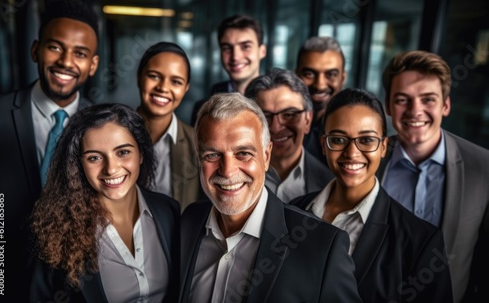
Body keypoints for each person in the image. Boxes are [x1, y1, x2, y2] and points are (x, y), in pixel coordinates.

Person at [180, 92, 362, 302]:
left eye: (243, 153)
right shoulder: (188, 223)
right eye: (212, 155)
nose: (228, 171)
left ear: (266, 157)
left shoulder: (322, 247)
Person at [290, 88, 453, 302]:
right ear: (323, 144)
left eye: (366, 140)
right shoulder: (293, 211)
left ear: (383, 147)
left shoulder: (420, 241)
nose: (352, 153)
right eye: (338, 139)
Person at [0, 0, 100, 301]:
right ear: (36, 50)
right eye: (55, 47)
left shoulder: (102, 130)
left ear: (92, 65)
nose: (66, 61)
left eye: (79, 53)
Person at [27, 103, 180, 302]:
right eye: (94, 157)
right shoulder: (54, 232)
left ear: (140, 154)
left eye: (123, 152)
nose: (111, 169)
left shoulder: (169, 210)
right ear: (78, 165)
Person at [376, 50, 489, 303]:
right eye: (403, 99)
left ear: (445, 105)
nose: (415, 111)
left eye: (428, 99)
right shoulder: (369, 160)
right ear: (388, 105)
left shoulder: (483, 168)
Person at [244, 68, 333, 202]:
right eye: (264, 117)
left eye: (289, 115)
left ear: (308, 120)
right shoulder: (230, 176)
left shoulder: (331, 184)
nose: (276, 127)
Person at [136, 41, 205, 210]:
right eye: (154, 76)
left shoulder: (198, 145)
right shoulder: (112, 135)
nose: (163, 88)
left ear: (186, 88)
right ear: (139, 77)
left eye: (176, 82)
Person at [190, 14, 267, 125]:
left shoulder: (277, 105)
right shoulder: (203, 109)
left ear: (262, 51)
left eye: (245, 46)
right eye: (227, 48)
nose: (235, 56)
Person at [295, 36, 346, 163]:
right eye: (309, 74)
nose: (320, 85)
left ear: (342, 78)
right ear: (296, 76)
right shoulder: (278, 123)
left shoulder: (353, 129)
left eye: (331, 74)